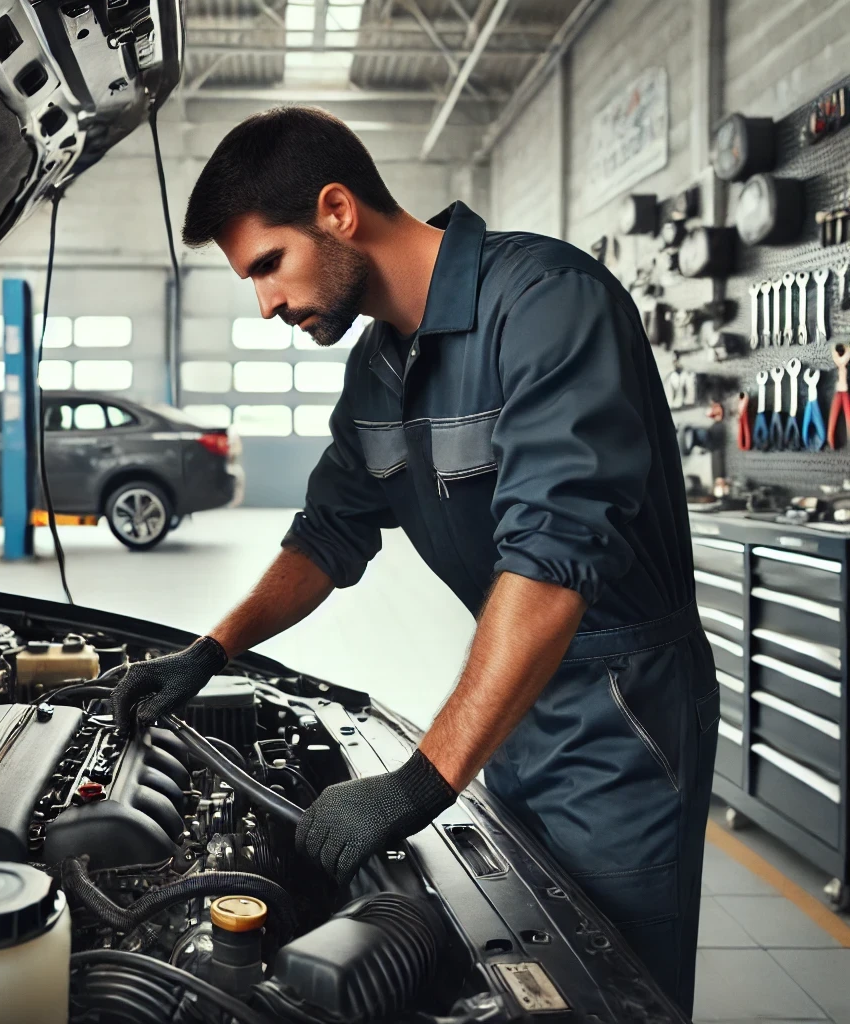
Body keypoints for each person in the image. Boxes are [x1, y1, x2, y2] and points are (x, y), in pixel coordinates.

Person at [111, 106, 718, 1013]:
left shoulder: (548, 302)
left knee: (614, 988)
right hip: (512, 700)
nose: (266, 305)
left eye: (268, 265)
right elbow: (327, 535)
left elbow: (552, 568)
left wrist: (421, 780)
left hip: (623, 716)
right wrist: (213, 650)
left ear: (338, 211)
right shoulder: (378, 371)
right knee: (528, 965)